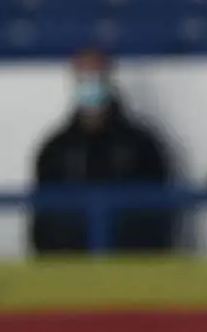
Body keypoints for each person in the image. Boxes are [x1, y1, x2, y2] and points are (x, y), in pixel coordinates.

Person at [30, 48, 176, 254]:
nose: (91, 84)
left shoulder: (142, 145)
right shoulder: (56, 149)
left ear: (109, 80)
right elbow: (42, 216)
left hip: (131, 265)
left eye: (97, 76)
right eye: (85, 77)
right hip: (70, 267)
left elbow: (161, 210)